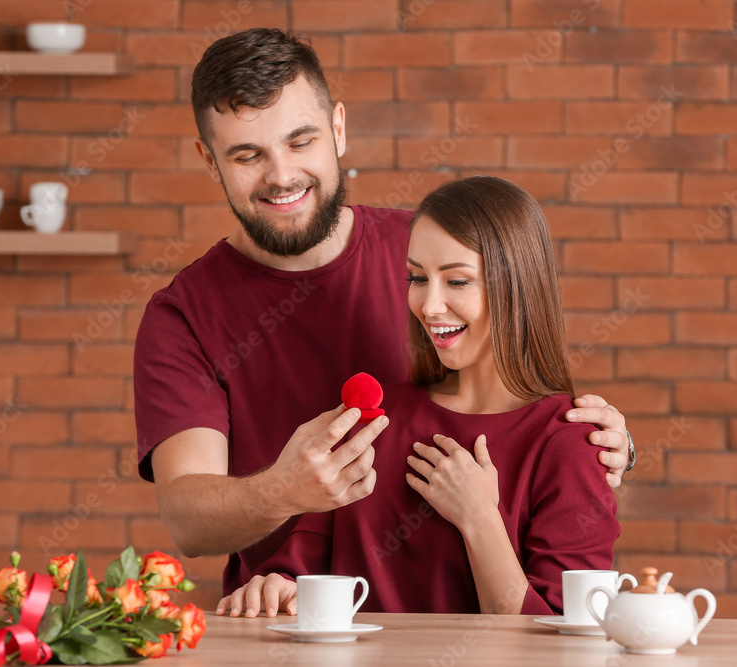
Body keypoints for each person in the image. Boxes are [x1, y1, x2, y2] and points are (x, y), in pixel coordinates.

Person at [133, 28, 633, 597]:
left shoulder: (427, 246)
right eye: (248, 155)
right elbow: (188, 519)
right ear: (209, 160)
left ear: (339, 129)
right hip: (292, 626)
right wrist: (286, 491)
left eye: (301, 142)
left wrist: (592, 444)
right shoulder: (183, 315)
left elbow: (521, 402)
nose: (281, 176)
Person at [216, 176, 620, 617]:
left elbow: (561, 645)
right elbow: (308, 556)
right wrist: (280, 584)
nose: (428, 305)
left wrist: (479, 519)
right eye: (417, 277)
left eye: (458, 281)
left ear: (517, 285)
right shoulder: (375, 421)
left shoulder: (572, 442)